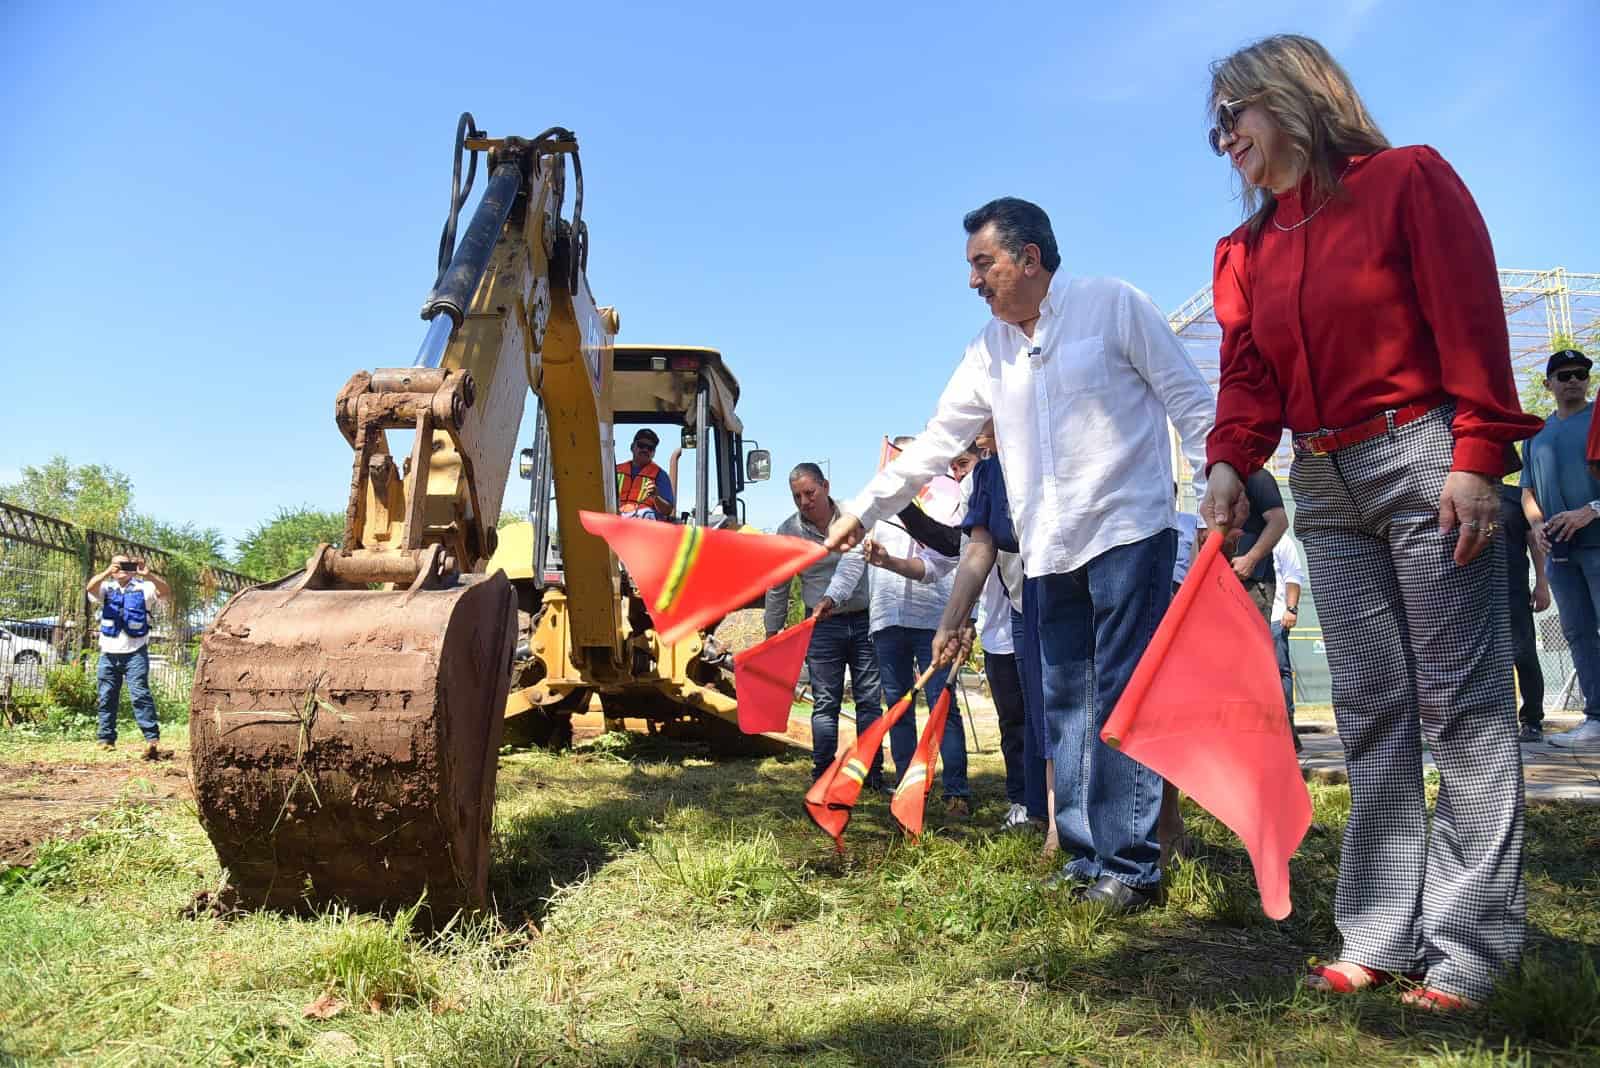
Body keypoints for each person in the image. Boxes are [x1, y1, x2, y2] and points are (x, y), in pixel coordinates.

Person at [1200, 34, 1542, 1009]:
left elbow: (1470, 320)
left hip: (1422, 455)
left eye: (1235, 112)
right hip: (1320, 482)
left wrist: (1479, 457)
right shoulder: (1244, 249)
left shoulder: (1406, 182)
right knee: (1372, 712)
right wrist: (1229, 460)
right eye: (1212, 124)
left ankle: (1471, 947)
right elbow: (1247, 378)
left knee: (1460, 706)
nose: (1221, 136)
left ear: (1292, 96)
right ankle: (1382, 934)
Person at [827, 196, 1214, 914]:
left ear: (1028, 258)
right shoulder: (987, 351)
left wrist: (1218, 477)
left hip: (1129, 531)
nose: (973, 281)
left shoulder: (1114, 306)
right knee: (1065, 700)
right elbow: (938, 443)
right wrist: (862, 510)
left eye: (983, 264)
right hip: (1048, 548)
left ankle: (1133, 869)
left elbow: (1190, 401)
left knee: (1124, 694)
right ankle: (1083, 854)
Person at [858, 440, 974, 817]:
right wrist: (833, 595)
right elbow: (855, 558)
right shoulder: (878, 504)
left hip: (933, 619)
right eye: (896, 458)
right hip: (886, 619)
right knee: (899, 705)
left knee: (943, 703)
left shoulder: (947, 497)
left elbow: (941, 562)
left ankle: (956, 789)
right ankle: (910, 787)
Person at [762, 464, 881, 783]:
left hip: (863, 620)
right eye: (796, 496)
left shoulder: (854, 517)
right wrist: (772, 631)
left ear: (826, 486)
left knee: (869, 700)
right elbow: (779, 583)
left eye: (809, 493)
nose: (804, 501)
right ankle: (823, 775)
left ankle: (871, 775)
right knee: (825, 702)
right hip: (820, 627)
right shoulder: (789, 531)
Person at [1521, 348, 1600, 750]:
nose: (1574, 380)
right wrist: (1536, 524)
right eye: (1565, 374)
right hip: (1562, 553)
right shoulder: (1536, 434)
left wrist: (1592, 509)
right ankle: (1596, 719)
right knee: (1578, 632)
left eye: (1581, 374)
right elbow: (1527, 492)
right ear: (1547, 383)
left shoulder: (1598, 421)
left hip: (1598, 542)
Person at [85, 554, 172, 758]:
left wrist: (149, 575)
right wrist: (107, 572)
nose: (122, 568)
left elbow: (166, 591)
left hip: (135, 652)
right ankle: (106, 739)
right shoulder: (106, 587)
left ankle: (152, 741)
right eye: (118, 564)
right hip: (108, 653)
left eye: (126, 564)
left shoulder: (145, 587)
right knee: (106, 696)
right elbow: (89, 588)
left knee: (140, 695)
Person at [1500, 481, 1549, 743]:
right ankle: (1496, 723)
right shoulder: (1460, 493)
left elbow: (1533, 540)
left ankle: (1532, 721)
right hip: (1475, 590)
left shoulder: (1517, 497)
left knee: (1524, 653)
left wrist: (1542, 583)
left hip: (1514, 589)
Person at [1230, 469, 1289, 624]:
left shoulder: (1257, 476)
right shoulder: (1210, 480)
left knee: (1249, 645)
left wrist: (1250, 559)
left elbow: (1279, 521)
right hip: (1218, 582)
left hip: (1251, 583)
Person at [1270, 535, 1306, 753]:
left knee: (1279, 669)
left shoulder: (1281, 540)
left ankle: (1287, 730)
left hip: (1275, 617)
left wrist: (1291, 609)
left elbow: (1293, 575)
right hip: (1244, 616)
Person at [616, 429, 675, 520]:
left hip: (643, 527)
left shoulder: (661, 475)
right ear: (632, 447)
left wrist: (656, 497)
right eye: (641, 445)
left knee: (646, 513)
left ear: (654, 453)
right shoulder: (615, 470)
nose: (645, 450)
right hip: (614, 522)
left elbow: (667, 510)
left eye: (650, 448)